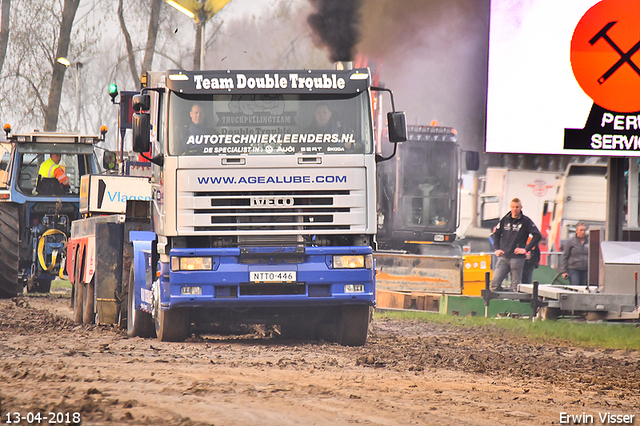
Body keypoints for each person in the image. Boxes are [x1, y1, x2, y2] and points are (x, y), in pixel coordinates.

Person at [490, 198, 541, 291]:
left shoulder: (526, 221)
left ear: (521, 208)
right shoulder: (505, 219)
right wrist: (496, 248)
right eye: (513, 207)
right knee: (494, 283)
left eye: (517, 207)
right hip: (504, 256)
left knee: (515, 285)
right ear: (510, 207)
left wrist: (526, 249)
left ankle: (515, 302)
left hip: (517, 258)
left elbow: (537, 235)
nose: (515, 209)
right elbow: (496, 234)